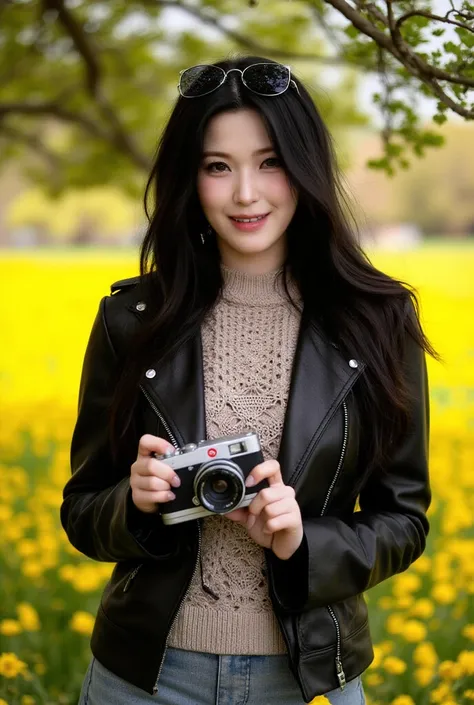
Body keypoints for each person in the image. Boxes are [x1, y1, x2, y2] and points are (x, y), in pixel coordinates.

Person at [60, 55, 433, 705]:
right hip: (146, 677)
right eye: (217, 166)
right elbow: (84, 507)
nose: (246, 194)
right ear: (189, 177)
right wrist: (136, 502)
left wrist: (302, 538)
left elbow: (403, 518)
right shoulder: (130, 320)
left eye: (270, 161)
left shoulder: (378, 320)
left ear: (306, 167)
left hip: (310, 678)